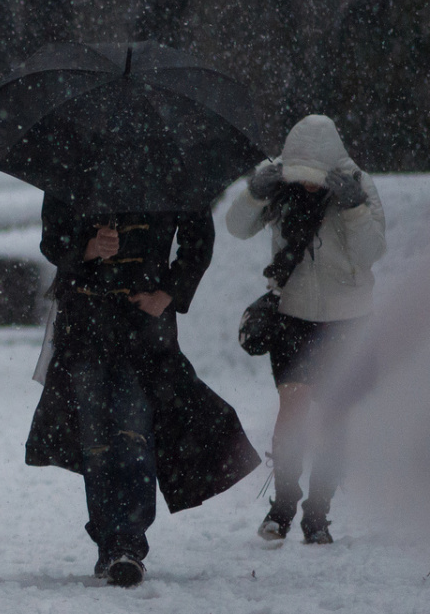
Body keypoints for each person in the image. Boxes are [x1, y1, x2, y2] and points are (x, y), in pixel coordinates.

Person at [28, 196, 259, 587]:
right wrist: (87, 248)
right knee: (96, 441)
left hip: (144, 331)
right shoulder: (79, 163)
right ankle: (111, 542)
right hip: (84, 327)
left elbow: (198, 240)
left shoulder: (171, 168)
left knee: (134, 433)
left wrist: (167, 293)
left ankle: (128, 544)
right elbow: (52, 238)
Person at [225, 114, 385, 545]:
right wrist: (255, 193)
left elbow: (371, 251)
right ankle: (283, 504)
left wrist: (352, 208)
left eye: (316, 176)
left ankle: (319, 513)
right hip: (293, 316)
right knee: (292, 411)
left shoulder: (358, 184)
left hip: (348, 319)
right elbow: (236, 227)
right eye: (304, 175)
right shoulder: (279, 183)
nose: (309, 184)